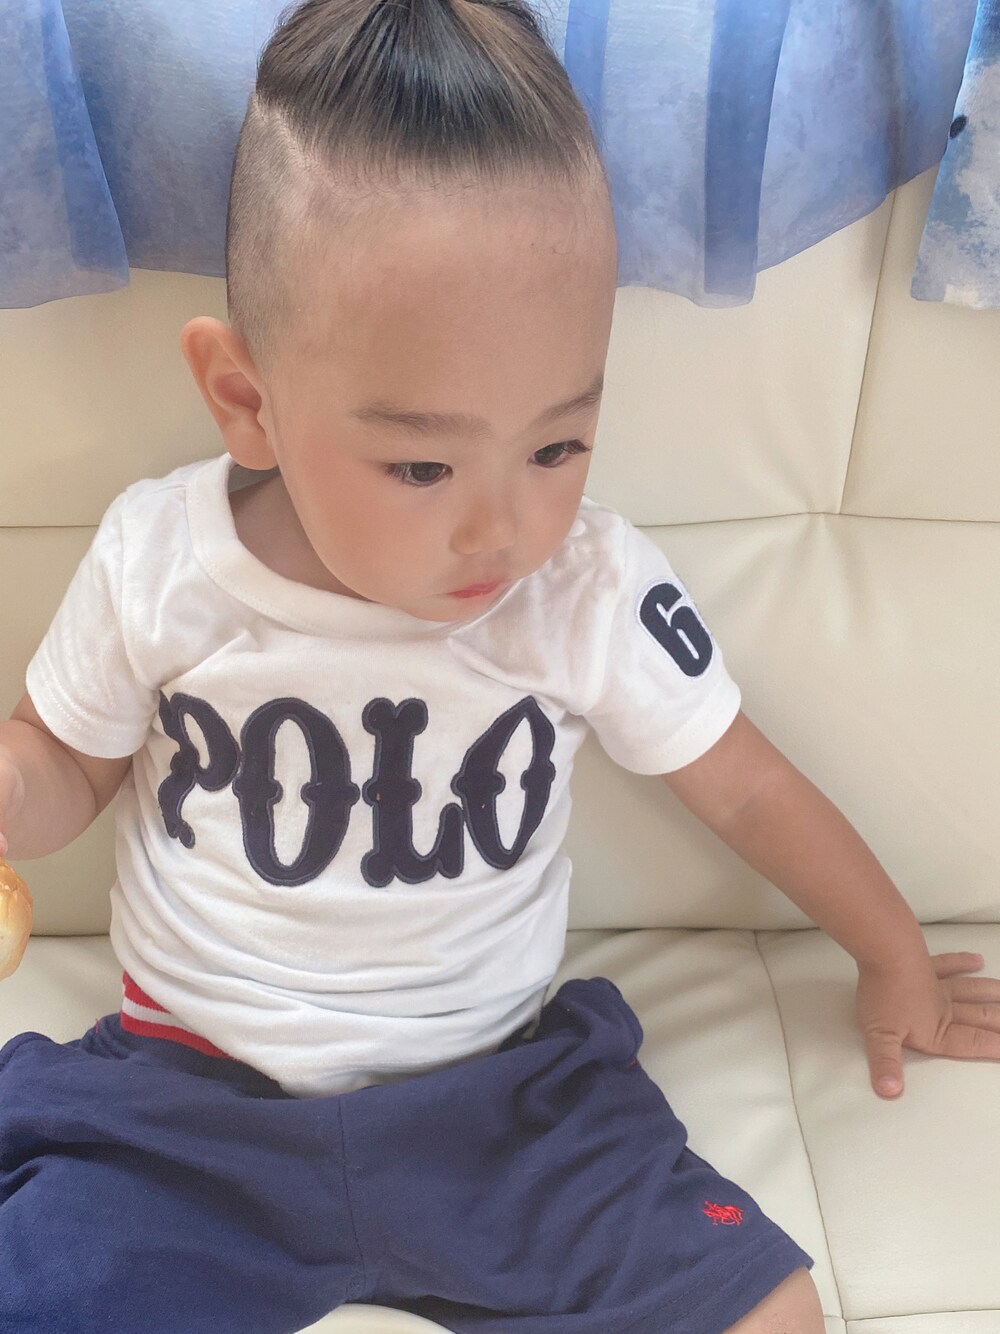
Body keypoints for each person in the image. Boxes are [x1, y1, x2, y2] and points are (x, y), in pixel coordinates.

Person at [1, 0, 999, 1329]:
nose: (502, 529)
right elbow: (67, 764)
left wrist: (893, 955)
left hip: (504, 1106)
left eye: (556, 446)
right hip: (187, 1108)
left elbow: (751, 788)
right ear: (247, 401)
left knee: (774, 1311)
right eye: (422, 465)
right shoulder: (161, 559)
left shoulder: (583, 586)